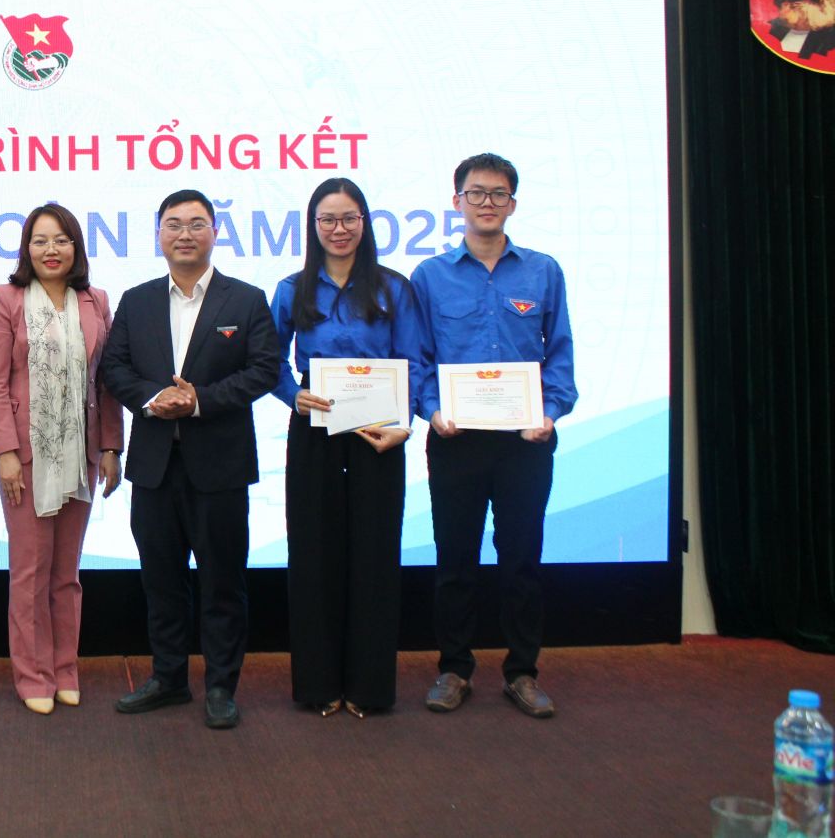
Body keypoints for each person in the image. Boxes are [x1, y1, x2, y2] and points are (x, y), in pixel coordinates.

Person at [99, 188, 280, 730]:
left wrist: (199, 400)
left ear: (215, 233)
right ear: (158, 233)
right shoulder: (137, 300)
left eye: (197, 224)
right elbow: (114, 368)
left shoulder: (245, 299)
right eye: (174, 224)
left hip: (220, 465)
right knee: (161, 580)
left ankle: (221, 686)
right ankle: (169, 677)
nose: (185, 234)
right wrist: (156, 399)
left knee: (223, 582)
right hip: (155, 466)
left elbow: (264, 370)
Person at [412, 153, 576, 720]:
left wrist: (551, 412)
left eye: (498, 194)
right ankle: (454, 669)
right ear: (456, 201)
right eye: (476, 193)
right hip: (455, 439)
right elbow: (418, 358)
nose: (487, 202)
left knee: (521, 560)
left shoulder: (543, 271)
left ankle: (522, 672)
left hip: (524, 441)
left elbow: (559, 352)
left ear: (513, 203)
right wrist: (431, 410)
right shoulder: (429, 276)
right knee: (455, 560)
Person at [269, 178, 423, 718]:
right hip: (314, 428)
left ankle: (369, 688)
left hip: (380, 432)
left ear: (364, 222)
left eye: (349, 218)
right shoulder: (292, 289)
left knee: (374, 555)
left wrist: (405, 423)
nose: (339, 229)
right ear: (313, 226)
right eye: (328, 219)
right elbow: (268, 359)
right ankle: (319, 685)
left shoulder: (393, 287)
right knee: (313, 555)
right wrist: (292, 395)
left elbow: (414, 360)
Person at [0, 204, 124, 715]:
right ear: (26, 249)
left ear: (75, 247)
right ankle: (32, 674)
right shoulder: (5, 299)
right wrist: (5, 453)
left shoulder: (96, 301)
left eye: (61, 240)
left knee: (66, 574)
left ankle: (65, 670)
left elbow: (106, 382)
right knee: (29, 573)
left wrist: (110, 447)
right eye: (40, 241)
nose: (50, 250)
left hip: (80, 454)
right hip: (26, 455)